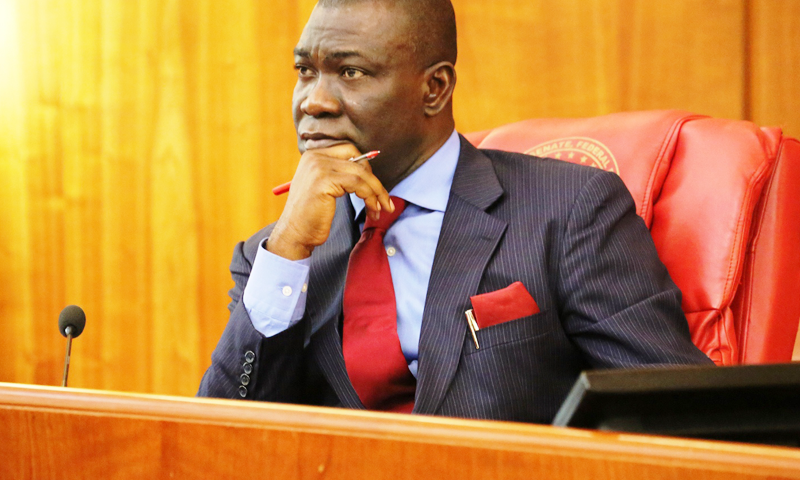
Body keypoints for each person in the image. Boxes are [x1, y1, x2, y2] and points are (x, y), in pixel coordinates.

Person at [197, 0, 712, 424]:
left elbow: (673, 413)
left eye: (350, 72)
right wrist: (288, 251)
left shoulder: (568, 211)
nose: (314, 101)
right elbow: (224, 439)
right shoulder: (274, 258)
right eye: (305, 72)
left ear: (435, 88)